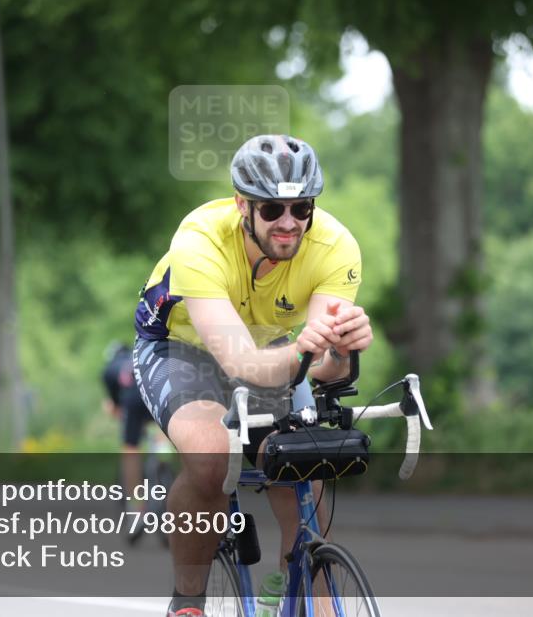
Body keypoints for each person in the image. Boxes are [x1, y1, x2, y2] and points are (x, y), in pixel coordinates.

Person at [133, 134, 373, 617]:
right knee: (211, 460)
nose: (289, 223)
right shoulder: (199, 238)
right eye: (271, 210)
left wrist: (343, 355)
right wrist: (302, 353)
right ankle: (188, 600)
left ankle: (300, 593)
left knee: (305, 464)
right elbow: (240, 364)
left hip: (269, 343)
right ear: (243, 205)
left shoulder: (335, 247)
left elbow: (324, 368)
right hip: (182, 347)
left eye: (302, 208)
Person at [102, 341, 156, 525]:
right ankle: (163, 457)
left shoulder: (109, 369)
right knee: (160, 431)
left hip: (133, 399)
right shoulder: (139, 357)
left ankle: (136, 505)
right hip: (155, 388)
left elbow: (115, 407)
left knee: (131, 448)